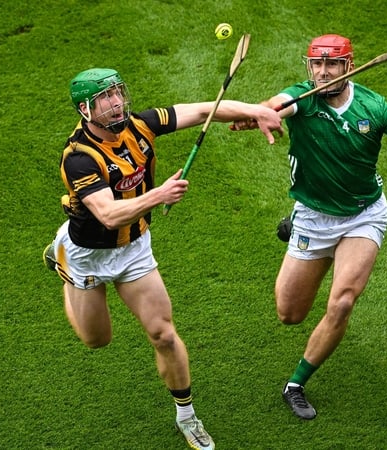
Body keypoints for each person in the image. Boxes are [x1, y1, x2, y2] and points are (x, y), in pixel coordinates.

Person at [43, 67, 282, 448]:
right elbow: (109, 215)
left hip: (134, 248)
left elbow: (203, 110)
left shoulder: (140, 125)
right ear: (86, 110)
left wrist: (256, 110)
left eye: (118, 93)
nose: (117, 103)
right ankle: (63, 263)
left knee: (164, 335)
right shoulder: (79, 159)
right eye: (105, 98)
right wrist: (160, 195)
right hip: (88, 255)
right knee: (97, 340)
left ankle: (187, 415)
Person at [232, 34, 387, 420]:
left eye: (332, 64)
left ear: (349, 66)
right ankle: (298, 226)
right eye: (317, 64)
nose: (324, 72)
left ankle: (295, 384)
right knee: (289, 313)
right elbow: (274, 105)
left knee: (342, 302)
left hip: (363, 214)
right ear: (309, 66)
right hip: (315, 216)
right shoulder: (302, 97)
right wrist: (258, 114)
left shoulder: (373, 107)